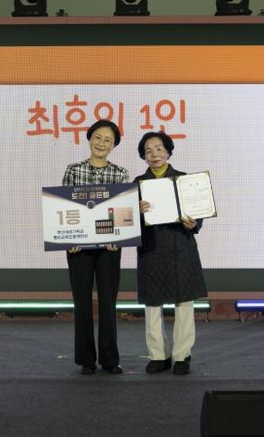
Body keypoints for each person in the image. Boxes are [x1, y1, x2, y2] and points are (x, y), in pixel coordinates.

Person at [135, 131, 208, 375]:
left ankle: (182, 356)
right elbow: (126, 221)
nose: (154, 154)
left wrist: (194, 223)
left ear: (168, 151)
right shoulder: (137, 184)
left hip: (180, 247)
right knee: (152, 305)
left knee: (184, 303)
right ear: (143, 156)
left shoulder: (185, 180)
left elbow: (197, 212)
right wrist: (136, 212)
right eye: (148, 150)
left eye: (159, 148)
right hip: (151, 249)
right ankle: (158, 355)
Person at [62, 119, 129, 375]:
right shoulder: (73, 170)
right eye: (98, 137)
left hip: (109, 247)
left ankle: (110, 359)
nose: (102, 143)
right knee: (82, 302)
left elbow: (122, 211)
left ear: (114, 145)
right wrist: (70, 240)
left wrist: (117, 237)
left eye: (108, 140)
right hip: (78, 247)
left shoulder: (120, 173)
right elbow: (64, 208)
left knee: (108, 303)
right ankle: (86, 360)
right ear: (89, 139)